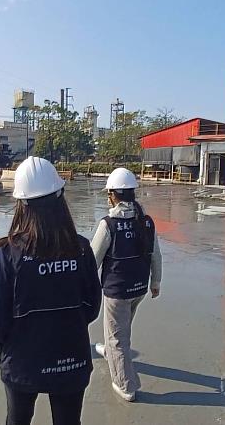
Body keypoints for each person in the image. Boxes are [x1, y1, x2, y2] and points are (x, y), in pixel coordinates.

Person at [0, 156, 102, 425]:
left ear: (22, 203)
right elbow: (92, 307)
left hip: (23, 363)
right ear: (61, 196)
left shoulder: (9, 253)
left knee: (18, 420)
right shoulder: (81, 249)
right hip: (71, 359)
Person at [91, 167, 162, 402]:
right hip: (139, 288)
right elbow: (155, 255)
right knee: (121, 329)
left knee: (117, 337)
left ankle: (126, 385)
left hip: (117, 291)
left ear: (112, 195)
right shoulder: (146, 222)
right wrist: (156, 282)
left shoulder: (108, 225)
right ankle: (110, 350)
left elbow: (93, 261)